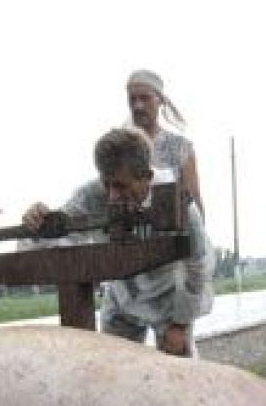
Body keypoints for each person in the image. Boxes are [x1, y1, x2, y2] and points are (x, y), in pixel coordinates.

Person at [23, 128, 213, 356]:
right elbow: (60, 233)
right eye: (107, 184)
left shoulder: (177, 203)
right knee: (113, 366)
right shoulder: (91, 195)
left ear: (146, 177)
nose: (112, 195)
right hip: (123, 297)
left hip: (169, 299)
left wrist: (180, 325)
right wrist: (38, 224)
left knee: (178, 374)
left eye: (121, 186)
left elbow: (198, 266)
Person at [125, 69, 206, 217]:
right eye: (133, 99)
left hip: (169, 235)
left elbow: (194, 204)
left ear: (160, 100)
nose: (138, 106)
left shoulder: (180, 147)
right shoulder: (120, 146)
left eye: (145, 98)